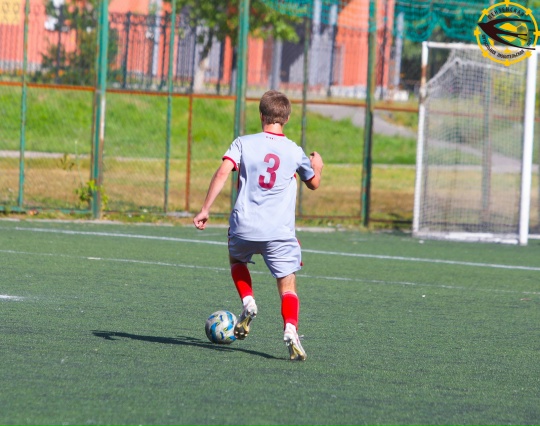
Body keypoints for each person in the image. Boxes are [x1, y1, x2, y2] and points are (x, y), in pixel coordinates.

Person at [193, 90, 323, 361]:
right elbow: (313, 183)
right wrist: (317, 166)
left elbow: (222, 172)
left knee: (236, 259)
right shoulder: (294, 150)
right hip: (279, 232)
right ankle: (290, 329)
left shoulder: (243, 143)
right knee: (287, 285)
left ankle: (248, 300)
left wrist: (205, 209)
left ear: (261, 115)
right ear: (286, 119)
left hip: (244, 226)